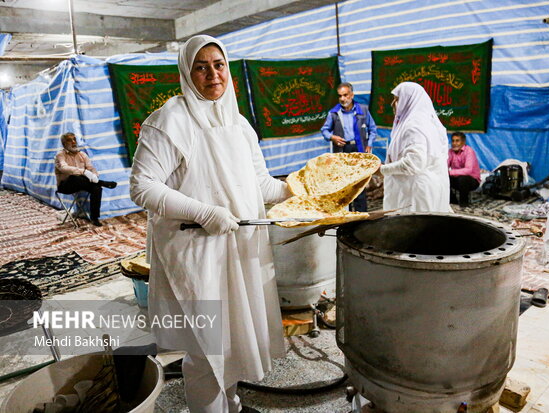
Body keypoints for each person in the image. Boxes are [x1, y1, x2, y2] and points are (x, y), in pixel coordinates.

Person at [130, 35, 290, 413]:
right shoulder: (170, 120)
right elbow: (142, 187)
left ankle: (229, 405)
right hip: (195, 251)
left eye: (218, 64)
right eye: (200, 67)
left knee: (231, 340)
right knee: (206, 349)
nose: (212, 74)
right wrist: (204, 211)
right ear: (187, 72)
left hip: (237, 250)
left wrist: (304, 185)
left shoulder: (239, 124)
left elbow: (261, 184)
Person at [379, 82, 451, 213]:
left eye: (397, 99)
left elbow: (414, 164)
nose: (392, 103)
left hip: (415, 193)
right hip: (421, 189)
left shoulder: (414, 126)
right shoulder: (426, 122)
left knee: (413, 230)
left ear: (409, 100)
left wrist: (381, 170)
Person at [320, 82, 377, 212]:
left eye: (345, 95)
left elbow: (372, 129)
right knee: (345, 184)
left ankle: (361, 213)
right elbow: (324, 130)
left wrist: (369, 144)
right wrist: (332, 137)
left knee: (359, 182)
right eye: (340, 96)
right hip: (342, 151)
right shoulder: (334, 113)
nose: (343, 99)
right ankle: (346, 213)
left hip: (359, 149)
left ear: (352, 95)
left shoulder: (362, 110)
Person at [54, 132, 117, 226]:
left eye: (74, 139)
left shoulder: (82, 155)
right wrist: (83, 172)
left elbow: (91, 169)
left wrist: (94, 175)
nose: (73, 142)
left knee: (96, 188)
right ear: (64, 144)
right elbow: (64, 168)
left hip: (83, 183)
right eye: (69, 140)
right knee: (74, 177)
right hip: (66, 186)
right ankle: (102, 182)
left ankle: (94, 217)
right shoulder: (60, 155)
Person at [447, 131, 481, 207]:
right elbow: (445, 165)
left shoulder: (469, 151)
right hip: (457, 179)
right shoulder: (450, 151)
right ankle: (453, 201)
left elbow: (468, 170)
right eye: (453, 141)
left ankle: (464, 204)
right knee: (443, 178)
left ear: (463, 142)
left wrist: (450, 172)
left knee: (462, 179)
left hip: (472, 181)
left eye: (457, 141)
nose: (454, 143)